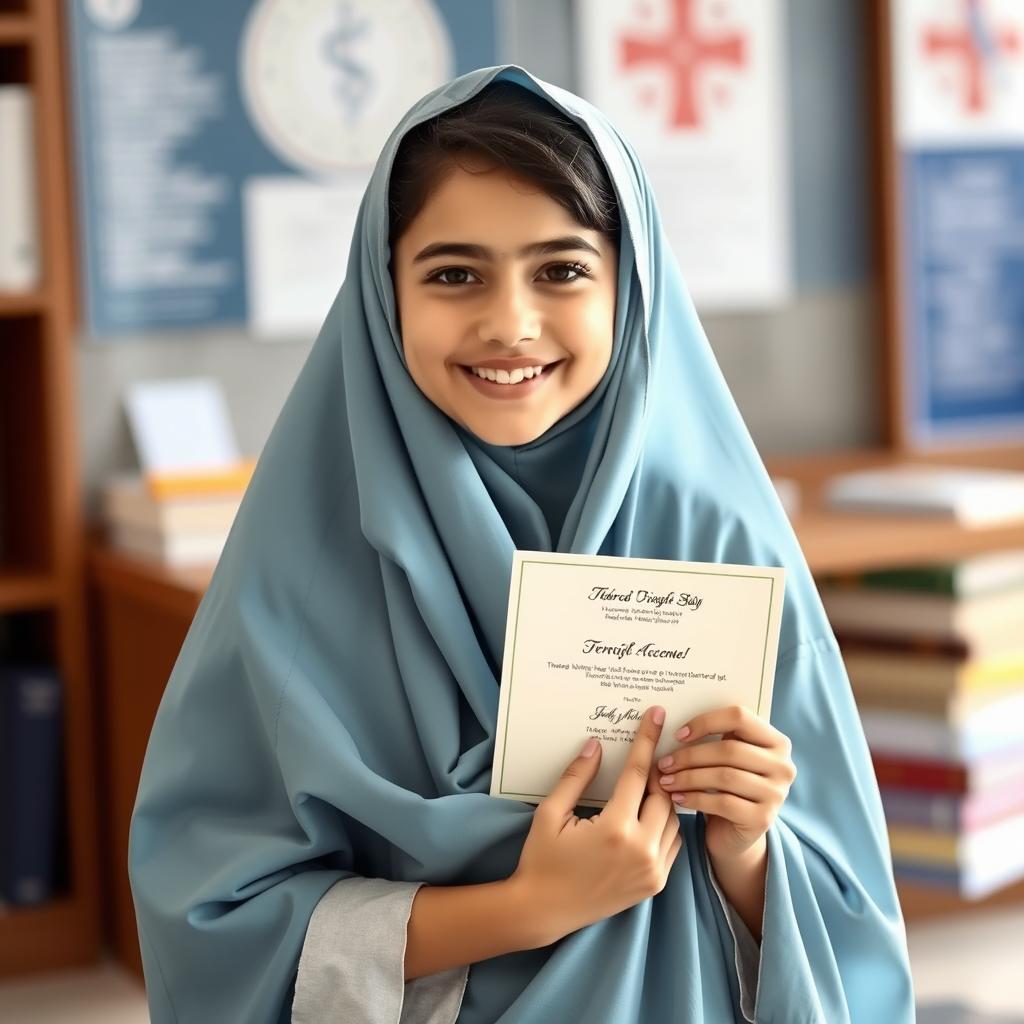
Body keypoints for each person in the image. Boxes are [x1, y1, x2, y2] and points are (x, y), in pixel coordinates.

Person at [127, 65, 916, 1023]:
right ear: (385, 296)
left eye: (562, 270)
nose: (510, 324)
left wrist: (746, 849)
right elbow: (209, 919)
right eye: (454, 274)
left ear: (631, 286)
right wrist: (522, 910)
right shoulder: (299, 566)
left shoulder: (717, 540)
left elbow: (850, 927)